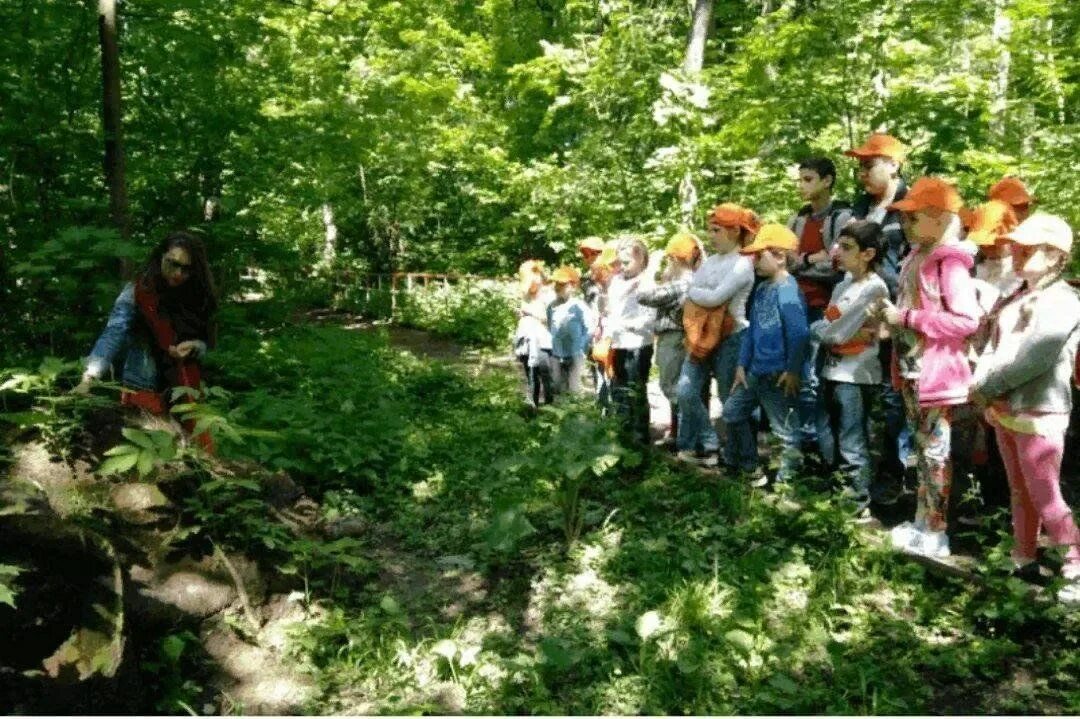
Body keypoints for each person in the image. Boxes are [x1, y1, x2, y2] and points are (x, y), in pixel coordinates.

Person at [970, 213, 1080, 603]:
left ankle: (1074, 564)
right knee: (1018, 490)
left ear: (1054, 256)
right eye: (1015, 245)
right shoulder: (1017, 295)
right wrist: (982, 384)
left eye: (1027, 248)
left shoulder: (1063, 301)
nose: (1015, 253)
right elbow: (993, 346)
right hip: (1003, 408)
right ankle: (1024, 557)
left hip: (1039, 411)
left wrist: (986, 386)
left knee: (1045, 492)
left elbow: (1036, 357)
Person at [874, 177, 980, 559]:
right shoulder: (915, 257)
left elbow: (967, 321)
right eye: (904, 218)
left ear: (939, 219)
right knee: (922, 449)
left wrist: (905, 317)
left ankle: (936, 529)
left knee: (935, 452)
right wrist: (890, 322)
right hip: (911, 369)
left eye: (914, 217)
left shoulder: (949, 264)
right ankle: (921, 522)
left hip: (934, 372)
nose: (906, 225)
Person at [77, 231, 219, 451]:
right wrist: (90, 376)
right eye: (173, 264)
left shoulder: (195, 296)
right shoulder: (139, 291)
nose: (178, 273)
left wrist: (194, 347)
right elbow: (114, 332)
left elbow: (204, 343)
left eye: (186, 269)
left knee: (190, 453)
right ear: (160, 256)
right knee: (149, 452)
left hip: (184, 386)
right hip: (143, 384)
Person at [845, 132, 911, 503]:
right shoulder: (860, 207)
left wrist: (893, 317)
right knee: (857, 389)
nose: (862, 174)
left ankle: (893, 472)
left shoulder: (909, 206)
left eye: (869, 165)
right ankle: (856, 468)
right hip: (859, 310)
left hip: (896, 315)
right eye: (859, 167)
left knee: (893, 395)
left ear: (893, 165)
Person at [810, 220, 889, 512]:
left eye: (846, 248)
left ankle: (856, 503)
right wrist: (829, 332)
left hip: (857, 374)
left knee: (852, 439)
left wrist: (830, 332)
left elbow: (834, 332)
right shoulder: (843, 284)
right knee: (828, 431)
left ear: (868, 254)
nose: (837, 253)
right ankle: (839, 491)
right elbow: (828, 326)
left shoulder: (874, 288)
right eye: (837, 245)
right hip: (831, 368)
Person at [723, 223, 810, 487]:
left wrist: (793, 370)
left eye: (760, 256)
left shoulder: (788, 290)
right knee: (731, 412)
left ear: (780, 256)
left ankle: (788, 485)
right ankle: (750, 467)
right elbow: (751, 331)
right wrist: (741, 364)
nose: (754, 261)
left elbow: (799, 334)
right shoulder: (761, 289)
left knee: (785, 431)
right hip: (754, 370)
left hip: (778, 374)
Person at [675, 203, 758, 467]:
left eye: (716, 230)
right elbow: (704, 294)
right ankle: (710, 439)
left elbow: (714, 297)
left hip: (732, 338)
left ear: (734, 231)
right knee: (685, 390)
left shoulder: (744, 263)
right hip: (700, 336)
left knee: (728, 399)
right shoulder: (711, 261)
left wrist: (695, 293)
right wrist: (700, 294)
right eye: (710, 230)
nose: (710, 236)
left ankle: (738, 457)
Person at [788, 157, 853, 459]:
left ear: (827, 181)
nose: (802, 185)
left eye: (808, 179)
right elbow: (788, 262)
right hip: (797, 304)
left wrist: (805, 263)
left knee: (814, 377)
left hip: (826, 307)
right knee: (797, 374)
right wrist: (812, 260)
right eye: (800, 179)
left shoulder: (842, 217)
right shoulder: (797, 220)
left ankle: (816, 441)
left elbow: (838, 266)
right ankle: (804, 435)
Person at [638, 229, 702, 447]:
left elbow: (644, 296)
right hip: (679, 338)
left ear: (674, 258)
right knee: (680, 386)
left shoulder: (681, 284)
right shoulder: (692, 280)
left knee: (670, 387)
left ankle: (692, 436)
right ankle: (682, 437)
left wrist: (649, 271)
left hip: (673, 338)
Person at [605, 236, 656, 444]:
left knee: (636, 389)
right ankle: (622, 431)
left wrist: (629, 325)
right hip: (617, 343)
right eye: (620, 262)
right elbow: (612, 307)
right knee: (618, 388)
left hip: (638, 344)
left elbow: (650, 317)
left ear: (641, 259)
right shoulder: (617, 281)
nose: (622, 267)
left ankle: (640, 436)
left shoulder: (648, 281)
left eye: (626, 262)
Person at [513, 260, 555, 407]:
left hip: (544, 342)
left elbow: (550, 319)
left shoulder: (549, 295)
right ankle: (533, 407)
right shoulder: (525, 295)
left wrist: (529, 312)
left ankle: (552, 408)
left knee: (546, 376)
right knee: (530, 376)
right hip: (526, 341)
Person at [547, 266, 593, 397]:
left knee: (574, 387)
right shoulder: (552, 306)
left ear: (573, 286)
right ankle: (559, 412)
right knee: (556, 384)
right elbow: (551, 326)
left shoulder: (578, 306)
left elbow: (589, 327)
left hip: (575, 351)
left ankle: (574, 413)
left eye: (562, 284)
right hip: (557, 352)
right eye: (556, 284)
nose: (557, 287)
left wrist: (582, 347)